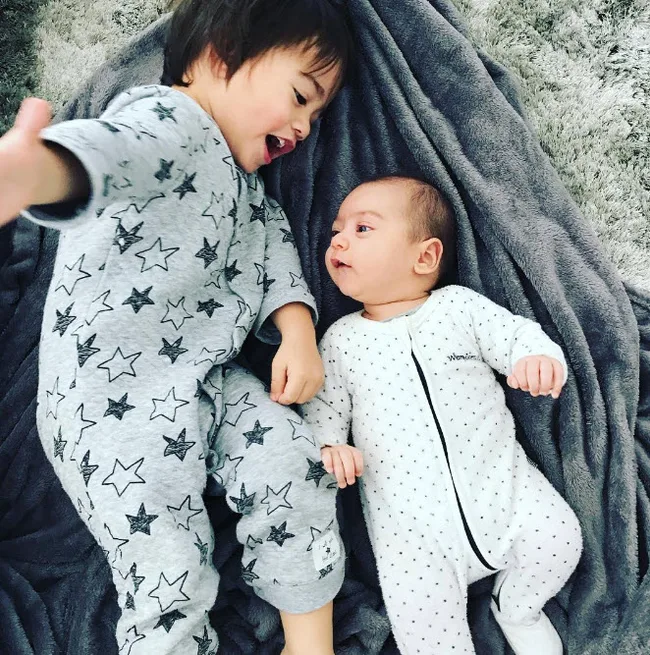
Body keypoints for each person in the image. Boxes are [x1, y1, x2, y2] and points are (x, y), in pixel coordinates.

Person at [0, 1, 353, 653]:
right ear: (219, 57)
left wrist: (298, 332)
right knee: (170, 570)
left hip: (208, 378)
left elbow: (275, 249)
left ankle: (312, 644)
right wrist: (33, 172)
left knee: (292, 462)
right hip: (113, 402)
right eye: (301, 96)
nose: (305, 125)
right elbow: (112, 153)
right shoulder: (171, 122)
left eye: (318, 115)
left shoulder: (249, 190)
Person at [302, 176, 583, 655]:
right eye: (335, 232)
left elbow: (517, 334)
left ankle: (518, 606)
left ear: (425, 256)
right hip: (414, 535)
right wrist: (329, 447)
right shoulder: (340, 340)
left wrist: (535, 359)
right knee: (424, 630)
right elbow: (322, 407)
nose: (339, 241)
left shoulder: (458, 308)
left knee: (559, 540)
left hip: (505, 491)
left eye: (362, 228)